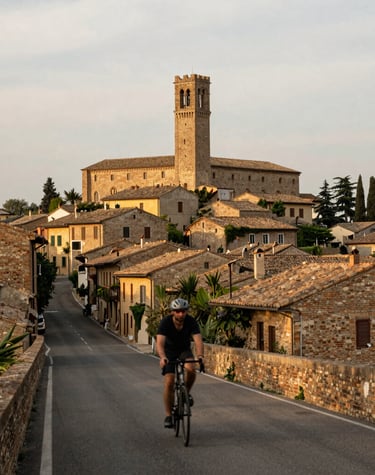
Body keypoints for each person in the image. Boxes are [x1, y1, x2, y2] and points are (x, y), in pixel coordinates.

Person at [156, 298, 204, 429]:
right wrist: (162, 357)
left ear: (186, 312)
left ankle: (185, 393)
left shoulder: (191, 321)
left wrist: (200, 356)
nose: (180, 314)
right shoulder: (165, 322)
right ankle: (168, 415)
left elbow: (198, 340)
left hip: (184, 350)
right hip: (169, 352)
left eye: (183, 311)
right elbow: (159, 343)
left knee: (191, 368)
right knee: (169, 381)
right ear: (173, 312)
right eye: (177, 312)